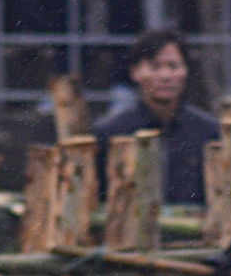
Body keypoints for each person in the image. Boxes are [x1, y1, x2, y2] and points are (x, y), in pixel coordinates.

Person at [94, 30, 222, 207]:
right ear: (135, 72)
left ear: (185, 70)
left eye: (173, 66)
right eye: (155, 67)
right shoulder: (110, 133)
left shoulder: (209, 132)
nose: (165, 76)